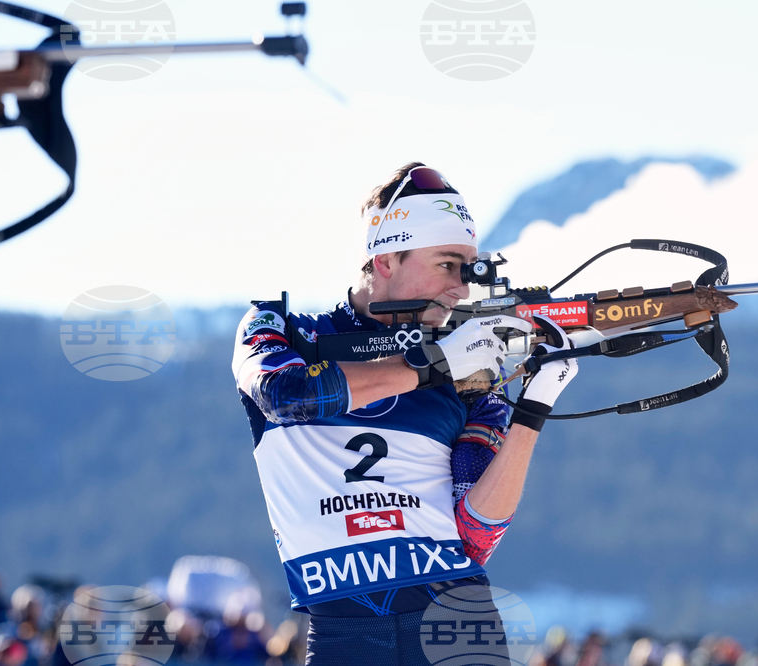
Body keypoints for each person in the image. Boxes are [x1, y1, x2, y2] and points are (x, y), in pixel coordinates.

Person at [232, 162, 579, 665]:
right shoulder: (284, 330)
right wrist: (428, 367)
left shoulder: (470, 370)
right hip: (343, 632)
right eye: (447, 264)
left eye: (470, 267)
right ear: (387, 258)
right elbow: (283, 395)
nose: (462, 287)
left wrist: (532, 409)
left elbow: (477, 536)